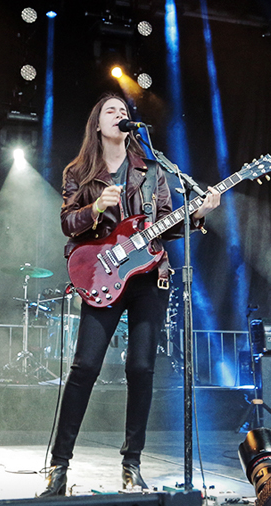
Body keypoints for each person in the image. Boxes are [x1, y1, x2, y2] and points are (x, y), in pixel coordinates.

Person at [40, 94, 220, 495]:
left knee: (141, 369)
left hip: (148, 277)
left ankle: (131, 464)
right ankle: (59, 466)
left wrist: (198, 215)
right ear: (97, 123)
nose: (120, 115)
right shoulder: (80, 171)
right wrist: (94, 208)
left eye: (124, 111)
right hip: (102, 273)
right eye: (111, 110)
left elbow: (165, 226)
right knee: (84, 367)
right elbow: (68, 223)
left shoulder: (152, 170)